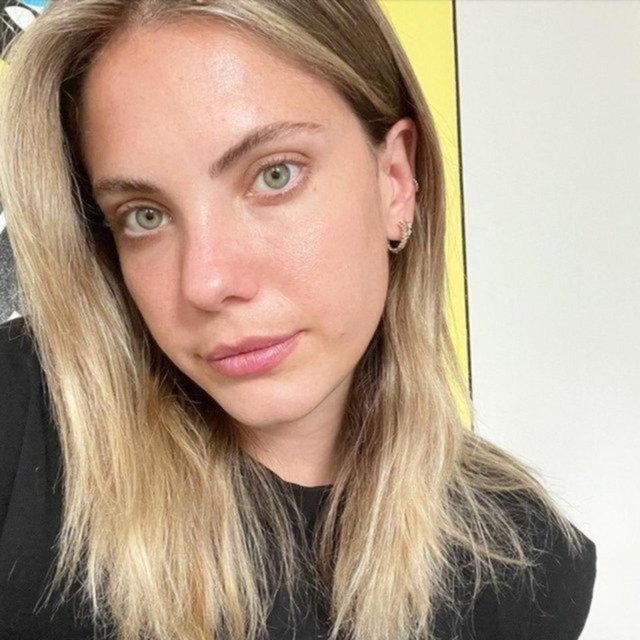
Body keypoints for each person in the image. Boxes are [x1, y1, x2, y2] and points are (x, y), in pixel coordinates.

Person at [0, 1, 596, 639]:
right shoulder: (19, 416)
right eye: (145, 215)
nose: (206, 283)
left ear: (395, 181)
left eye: (274, 175)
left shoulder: (528, 565)